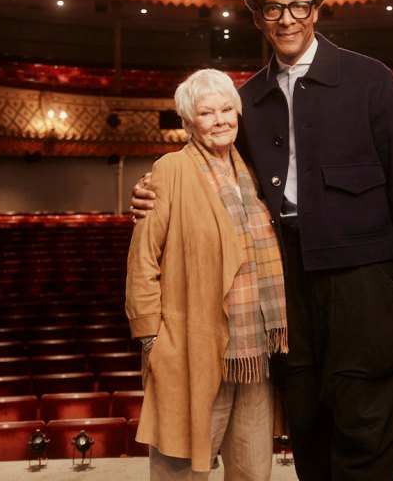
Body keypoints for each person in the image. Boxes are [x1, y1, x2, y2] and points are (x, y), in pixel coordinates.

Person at [133, 0, 393, 481]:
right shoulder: (245, 97)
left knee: (366, 416)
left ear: (315, 12)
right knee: (307, 417)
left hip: (363, 275)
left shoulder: (370, 78)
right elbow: (213, 165)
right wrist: (149, 192)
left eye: (298, 6)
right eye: (274, 9)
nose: (287, 18)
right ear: (258, 20)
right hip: (285, 273)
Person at [125, 68, 288, 480]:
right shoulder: (170, 170)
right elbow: (143, 261)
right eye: (206, 113)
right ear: (187, 122)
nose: (220, 120)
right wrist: (152, 340)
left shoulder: (254, 172)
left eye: (226, 110)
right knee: (180, 470)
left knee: (252, 472)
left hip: (255, 354)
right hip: (191, 350)